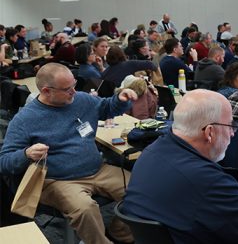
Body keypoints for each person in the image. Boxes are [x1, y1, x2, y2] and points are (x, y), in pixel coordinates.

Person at [121, 89, 238, 244]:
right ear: (210, 132)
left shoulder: (152, 152)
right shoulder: (204, 182)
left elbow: (192, 190)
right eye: (231, 126)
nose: (232, 133)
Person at [0, 63, 138, 244]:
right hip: (58, 180)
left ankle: (121, 233)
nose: (74, 91)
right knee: (85, 209)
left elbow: (107, 108)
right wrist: (26, 154)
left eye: (74, 85)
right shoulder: (25, 120)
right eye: (67, 89)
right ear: (47, 91)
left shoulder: (81, 100)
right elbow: (5, 162)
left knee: (139, 190)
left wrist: (120, 99)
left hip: (97, 170)